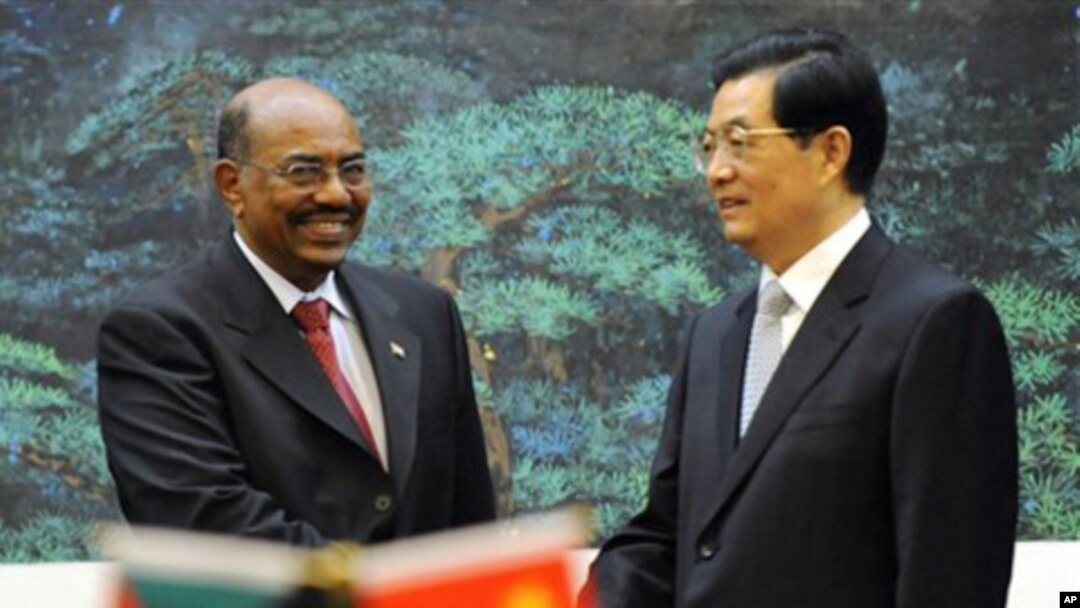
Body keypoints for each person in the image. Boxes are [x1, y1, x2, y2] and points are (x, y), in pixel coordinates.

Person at [588, 29, 1017, 608]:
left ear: (830, 152)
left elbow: (950, 578)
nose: (716, 171)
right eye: (709, 145)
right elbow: (668, 535)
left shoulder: (935, 322)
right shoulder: (715, 333)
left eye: (740, 143)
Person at [97, 78, 495, 546]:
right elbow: (202, 521)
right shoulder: (160, 330)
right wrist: (375, 592)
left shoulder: (424, 313)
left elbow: (468, 526)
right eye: (304, 172)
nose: (336, 195)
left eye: (353, 170)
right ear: (232, 185)